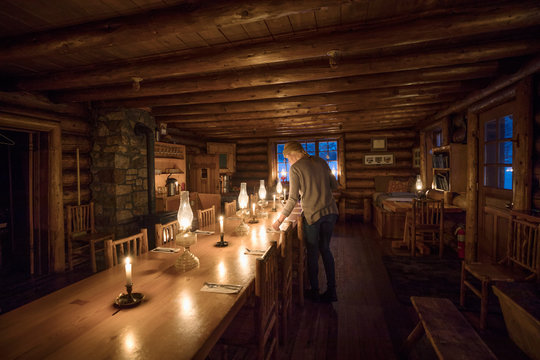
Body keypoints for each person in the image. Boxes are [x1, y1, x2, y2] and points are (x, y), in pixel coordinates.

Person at [272, 141, 339, 302]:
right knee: (326, 249)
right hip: (331, 213)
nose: (288, 162)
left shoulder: (295, 168)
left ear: (292, 154)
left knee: (313, 252)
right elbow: (334, 186)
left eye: (287, 158)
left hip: (313, 216)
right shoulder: (321, 161)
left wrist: (279, 220)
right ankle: (332, 291)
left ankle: (314, 291)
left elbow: (293, 199)